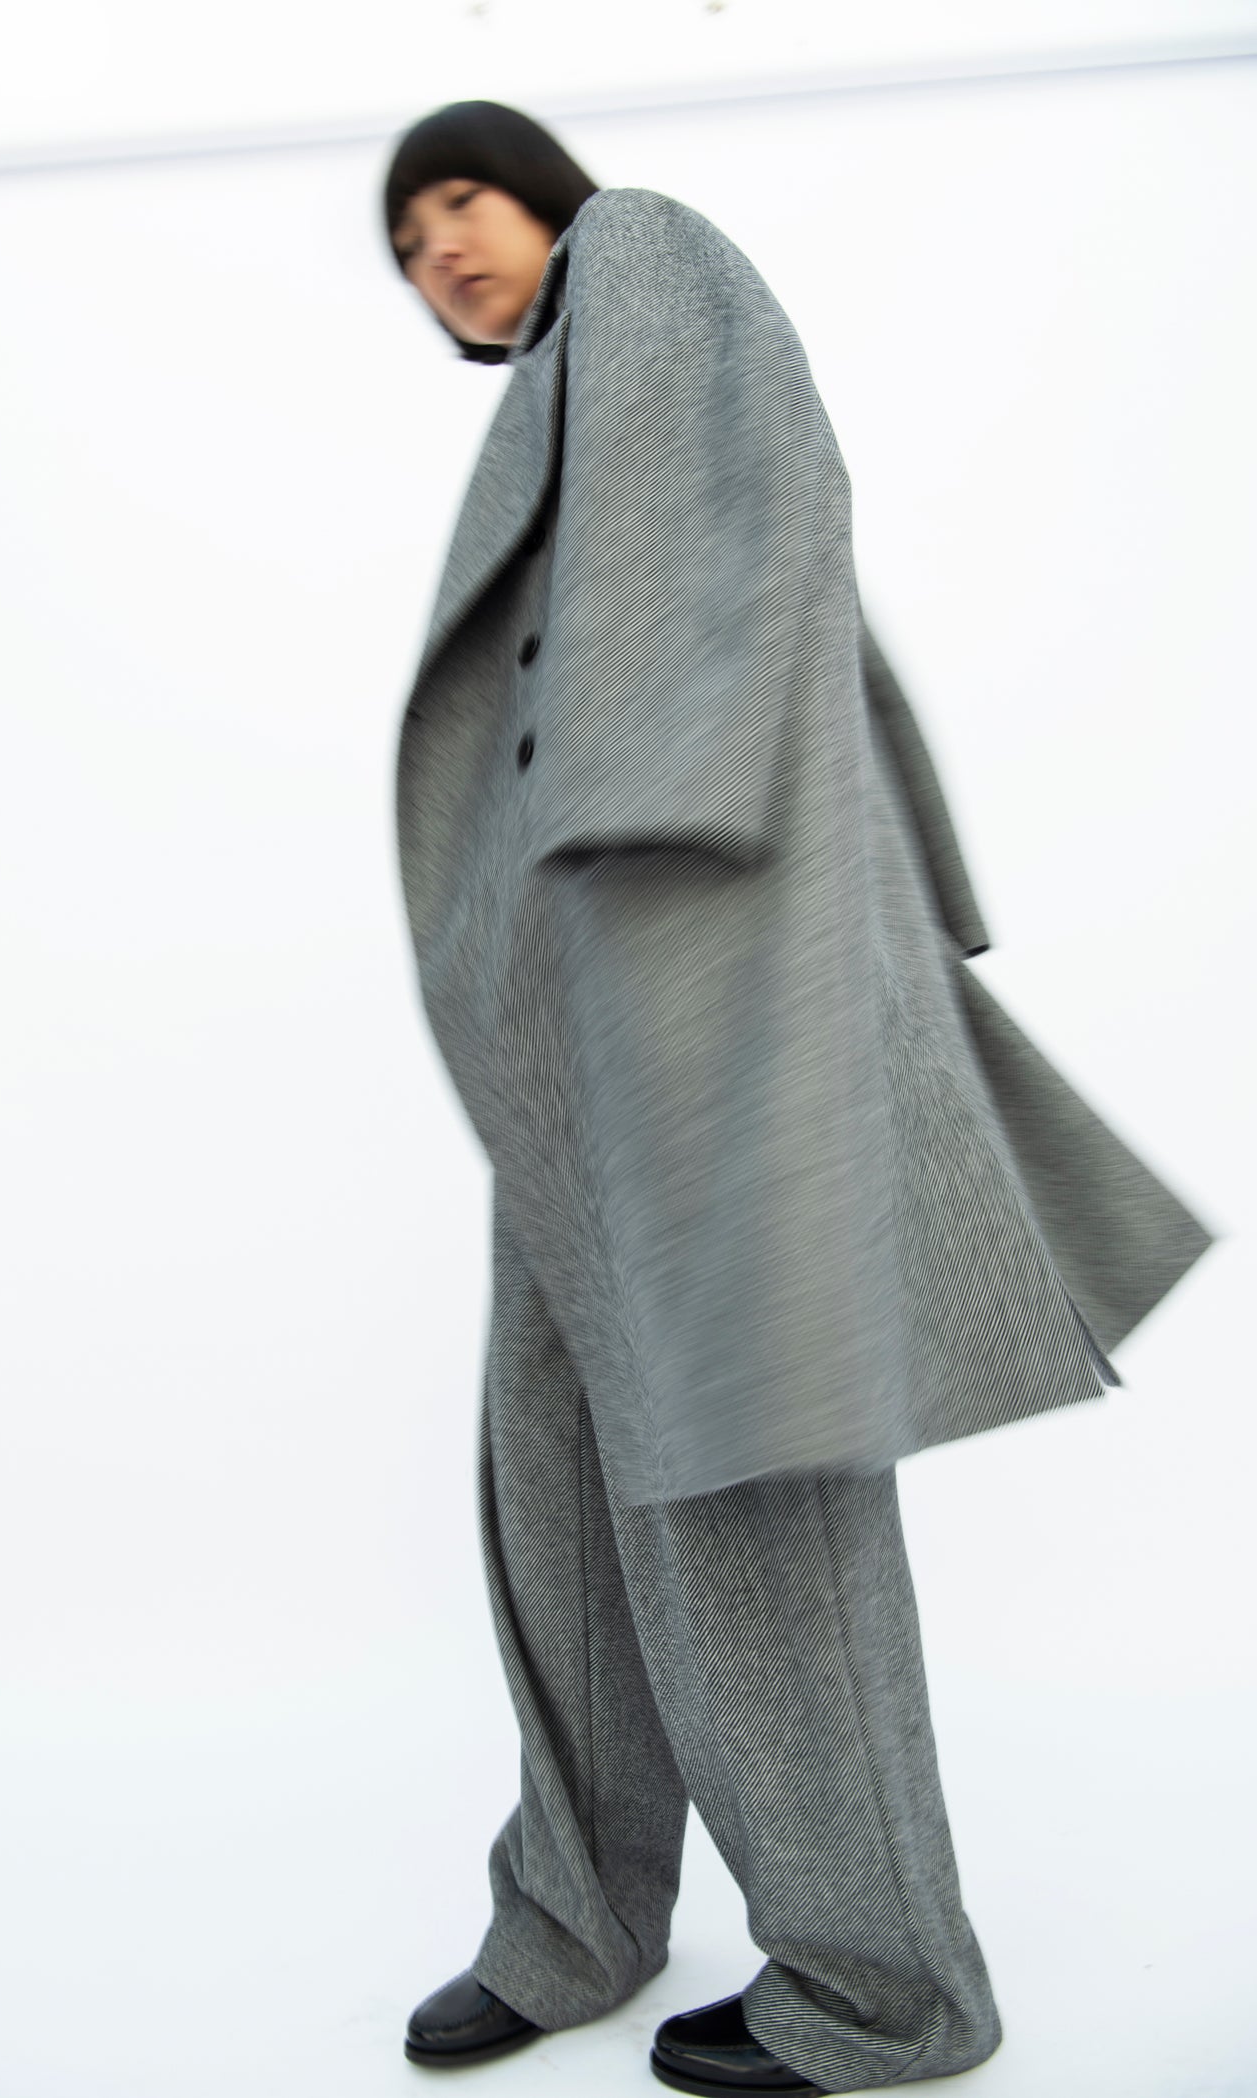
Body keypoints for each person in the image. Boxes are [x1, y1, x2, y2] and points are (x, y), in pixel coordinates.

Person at [379, 100, 1214, 2095]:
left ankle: (885, 1986)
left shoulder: (644, 258)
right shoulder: (567, 378)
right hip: (581, 1039)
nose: (440, 253)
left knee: (747, 1494)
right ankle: (575, 1916)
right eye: (406, 245)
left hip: (689, 998)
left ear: (544, 189)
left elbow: (732, 554)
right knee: (558, 1484)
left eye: (461, 200)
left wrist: (630, 847)